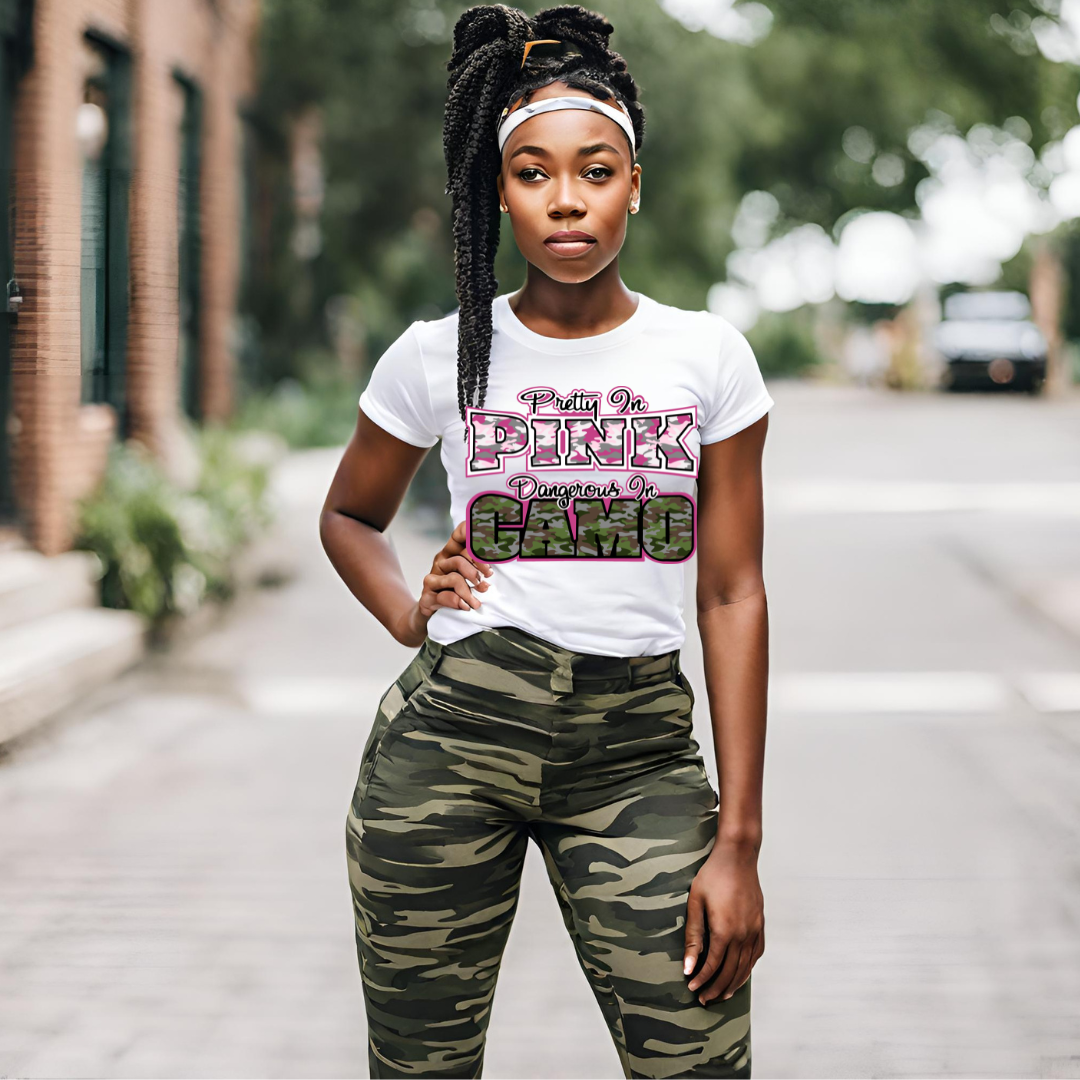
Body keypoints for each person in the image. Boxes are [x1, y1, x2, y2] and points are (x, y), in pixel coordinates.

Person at [319, 5, 772, 1077]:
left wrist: (739, 841)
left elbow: (734, 591)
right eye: (531, 172)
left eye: (596, 169)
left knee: (699, 1062)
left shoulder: (705, 357)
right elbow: (348, 515)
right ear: (498, 191)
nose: (566, 198)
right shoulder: (437, 357)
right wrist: (402, 607)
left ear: (634, 181)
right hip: (450, 743)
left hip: (638, 754)